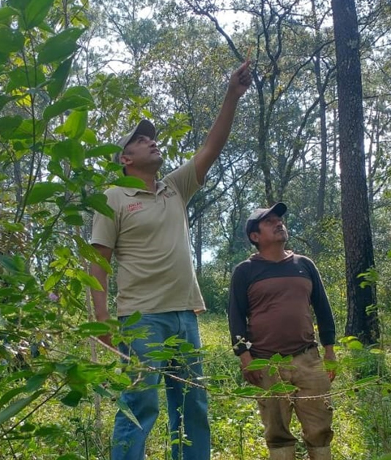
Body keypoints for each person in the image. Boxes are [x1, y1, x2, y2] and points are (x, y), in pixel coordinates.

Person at [90, 61, 251, 460]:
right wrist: (101, 325)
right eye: (141, 140)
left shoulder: (174, 188)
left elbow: (212, 147)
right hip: (141, 318)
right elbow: (97, 265)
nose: (151, 141)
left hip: (185, 315)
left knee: (193, 405)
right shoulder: (112, 197)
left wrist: (231, 95)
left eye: (151, 138)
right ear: (125, 159)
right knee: (141, 404)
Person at [228, 202, 337, 460]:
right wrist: (245, 358)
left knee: (320, 426)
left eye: (280, 220)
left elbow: (323, 309)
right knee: (277, 432)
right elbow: (235, 316)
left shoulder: (304, 265)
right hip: (266, 362)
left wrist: (330, 352)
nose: (279, 223)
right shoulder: (245, 271)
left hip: (308, 359)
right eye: (269, 222)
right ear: (255, 236)